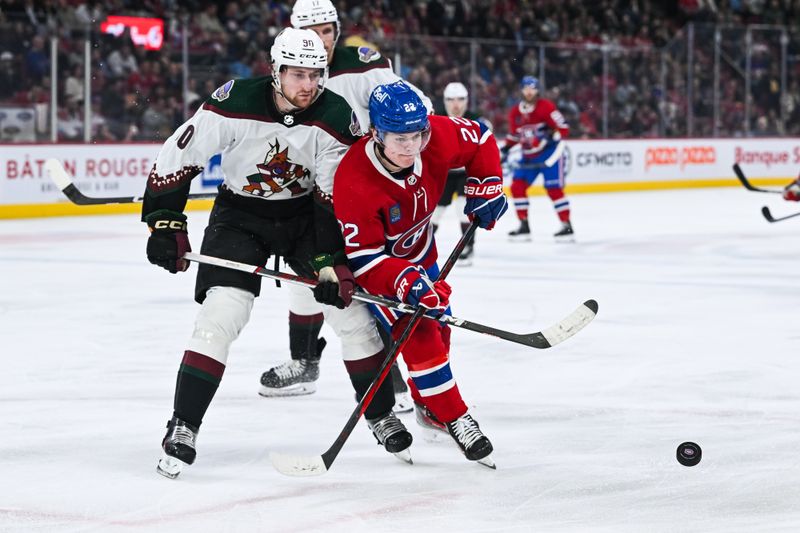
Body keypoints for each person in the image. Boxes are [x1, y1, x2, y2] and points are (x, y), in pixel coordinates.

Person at [143, 28, 411, 479]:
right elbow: (180, 154)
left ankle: (381, 413)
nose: (308, 85)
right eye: (298, 74)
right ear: (276, 71)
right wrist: (166, 222)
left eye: (316, 74)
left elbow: (333, 195)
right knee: (220, 316)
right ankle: (183, 425)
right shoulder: (234, 102)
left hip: (306, 217)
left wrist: (330, 261)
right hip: (239, 217)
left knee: (353, 318)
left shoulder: (334, 114)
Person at [259, 0, 433, 405]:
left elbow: (410, 105)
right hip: (309, 193)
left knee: (370, 283)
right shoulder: (288, 67)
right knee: (306, 282)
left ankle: (391, 376)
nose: (321, 40)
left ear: (337, 30)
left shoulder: (365, 65)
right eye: (312, 31)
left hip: (359, 192)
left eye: (326, 30)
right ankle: (303, 362)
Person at [333, 81, 508, 467]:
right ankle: (457, 417)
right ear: (376, 132)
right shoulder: (354, 178)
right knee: (421, 334)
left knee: (440, 327)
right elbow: (364, 258)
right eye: (399, 137)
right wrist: (405, 283)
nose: (411, 146)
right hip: (383, 271)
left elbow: (480, 137)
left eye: (417, 135)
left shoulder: (434, 135)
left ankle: (428, 410)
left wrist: (487, 184)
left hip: (423, 254)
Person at [501, 75, 573, 240]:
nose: (529, 92)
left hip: (549, 155)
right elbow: (514, 136)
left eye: (532, 88)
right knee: (517, 186)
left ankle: (567, 225)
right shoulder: (515, 113)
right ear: (521, 90)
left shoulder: (546, 107)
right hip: (528, 156)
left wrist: (550, 135)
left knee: (553, 189)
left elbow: (563, 127)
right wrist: (505, 148)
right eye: (526, 88)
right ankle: (524, 226)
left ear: (538, 90)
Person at [430, 82, 492, 264]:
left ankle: (468, 247)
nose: (456, 104)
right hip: (444, 173)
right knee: (435, 213)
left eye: (460, 99)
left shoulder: (478, 122)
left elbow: (486, 149)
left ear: (467, 101)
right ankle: (419, 248)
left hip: (467, 173)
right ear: (445, 101)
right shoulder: (435, 119)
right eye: (451, 100)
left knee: (463, 210)